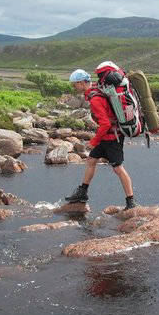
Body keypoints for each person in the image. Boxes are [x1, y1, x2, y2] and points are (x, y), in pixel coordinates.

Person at [64, 67, 135, 210]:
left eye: (75, 83)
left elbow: (105, 123)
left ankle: (131, 202)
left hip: (112, 137)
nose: (74, 86)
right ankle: (82, 193)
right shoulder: (96, 89)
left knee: (118, 168)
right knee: (91, 160)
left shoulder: (95, 98)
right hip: (107, 136)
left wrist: (93, 141)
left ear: (83, 82)